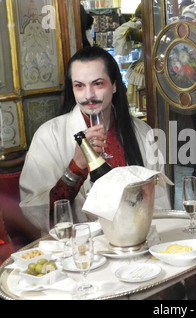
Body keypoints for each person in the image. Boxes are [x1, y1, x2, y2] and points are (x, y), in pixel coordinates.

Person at [19, 46, 171, 234]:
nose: (88, 95)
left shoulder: (141, 132)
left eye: (98, 84)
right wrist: (76, 167)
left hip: (135, 241)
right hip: (78, 249)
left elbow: (159, 202)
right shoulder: (49, 135)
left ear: (114, 85)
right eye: (79, 86)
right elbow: (37, 212)